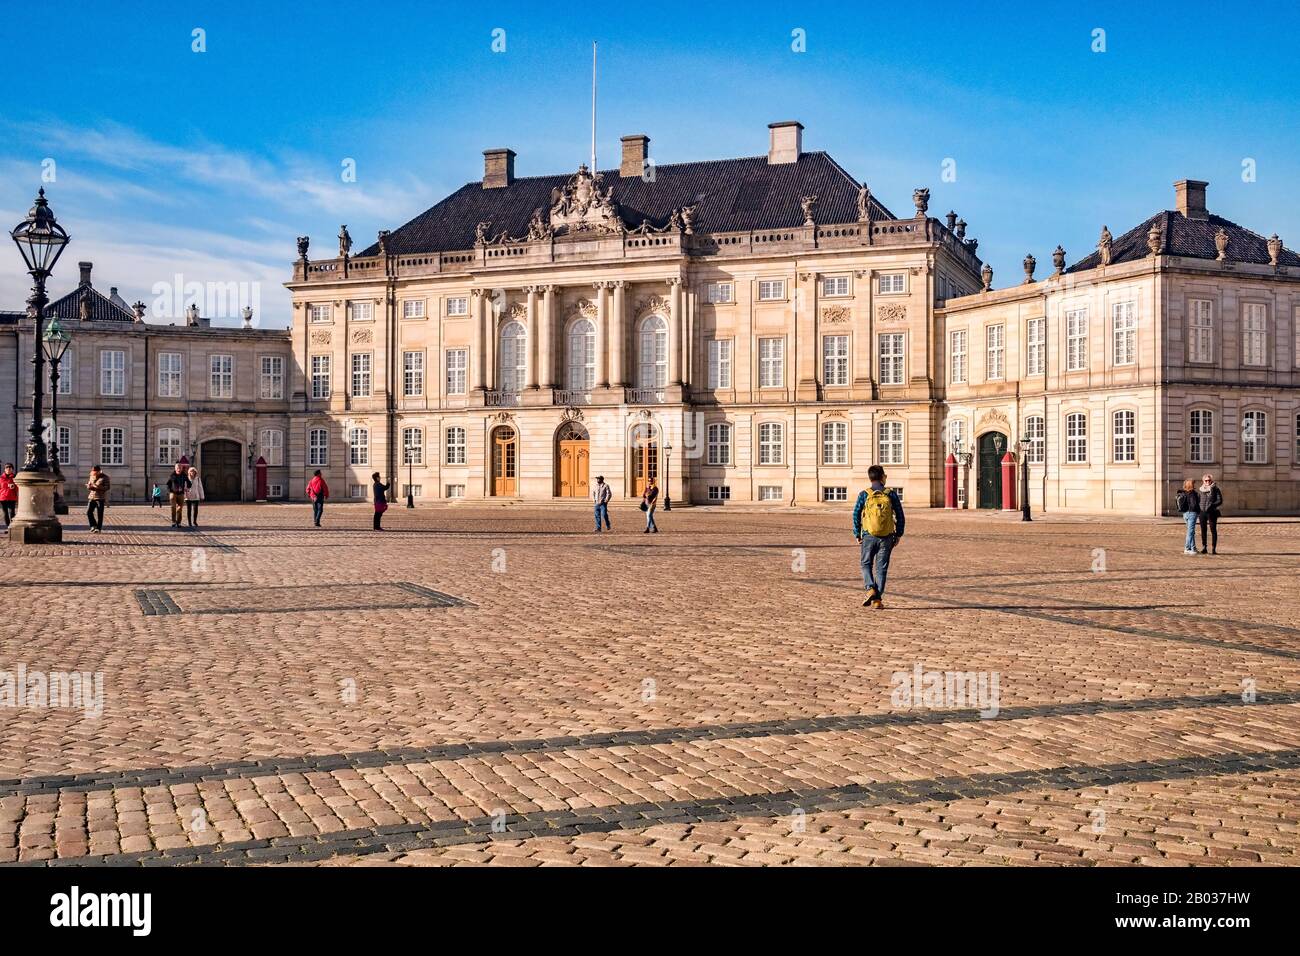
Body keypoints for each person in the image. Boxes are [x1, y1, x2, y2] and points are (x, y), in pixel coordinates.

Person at [852, 465, 905, 609]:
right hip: (887, 536)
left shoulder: (864, 494)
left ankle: (870, 588)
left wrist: (857, 533)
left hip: (869, 535)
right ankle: (877, 600)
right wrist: (899, 534)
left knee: (866, 564)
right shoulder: (891, 494)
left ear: (870, 478)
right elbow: (900, 515)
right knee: (882, 568)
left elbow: (856, 514)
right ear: (882, 477)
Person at [1197, 472, 1223, 555]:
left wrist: (1212, 505)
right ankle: (1204, 547)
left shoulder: (1215, 489)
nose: (1208, 482)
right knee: (1203, 530)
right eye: (1206, 480)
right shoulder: (1200, 490)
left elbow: (1220, 500)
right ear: (1203, 481)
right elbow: (1198, 500)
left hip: (1212, 512)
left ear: (1211, 481)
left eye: (1209, 480)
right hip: (1202, 512)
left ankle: (1213, 548)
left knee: (1213, 530)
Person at [1175, 479, 1200, 556]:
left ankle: (1193, 548)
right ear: (1191, 485)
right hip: (1192, 513)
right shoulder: (1192, 493)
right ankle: (1187, 548)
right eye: (1193, 484)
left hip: (1185, 514)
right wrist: (1198, 511)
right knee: (1190, 532)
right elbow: (1194, 505)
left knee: (1191, 531)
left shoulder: (1183, 493)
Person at [86, 465, 110, 534]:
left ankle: (99, 528)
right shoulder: (91, 476)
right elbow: (89, 484)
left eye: (95, 472)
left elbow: (107, 487)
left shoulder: (105, 477)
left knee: (100, 514)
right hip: (92, 497)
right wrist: (89, 486)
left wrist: (97, 486)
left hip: (100, 498)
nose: (94, 473)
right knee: (88, 512)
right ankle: (93, 525)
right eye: (93, 472)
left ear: (99, 471)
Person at [165, 463, 190, 528]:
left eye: (180, 468)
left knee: (179, 509)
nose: (179, 469)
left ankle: (178, 522)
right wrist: (170, 491)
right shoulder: (172, 475)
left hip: (181, 493)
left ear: (181, 468)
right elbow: (168, 484)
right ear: (175, 468)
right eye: (177, 468)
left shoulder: (184, 475)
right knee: (173, 507)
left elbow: (189, 483)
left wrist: (187, 488)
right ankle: (173, 521)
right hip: (173, 493)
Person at [0, 463, 17, 528]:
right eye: (7, 468)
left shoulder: (15, 477)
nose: (8, 469)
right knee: (5, 514)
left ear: (12, 469)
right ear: (5, 469)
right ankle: (8, 527)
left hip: (11, 497)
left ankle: (12, 527)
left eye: (10, 468)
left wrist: (14, 486)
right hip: (3, 498)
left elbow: (18, 487)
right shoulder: (1, 478)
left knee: (12, 513)